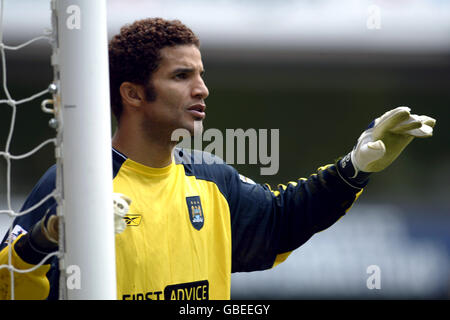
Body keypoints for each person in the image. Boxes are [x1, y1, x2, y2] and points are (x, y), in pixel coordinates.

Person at [0, 18, 436, 300]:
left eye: (201, 75)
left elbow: (281, 221)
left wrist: (355, 169)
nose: (202, 89)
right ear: (132, 94)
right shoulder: (74, 183)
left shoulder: (211, 179)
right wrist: (45, 237)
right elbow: (9, 285)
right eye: (182, 76)